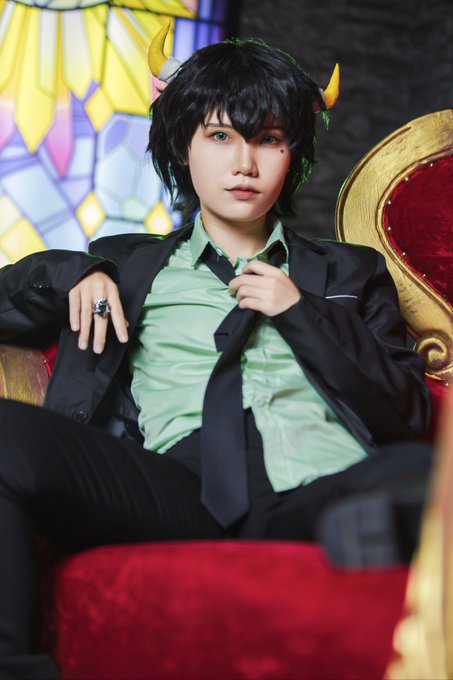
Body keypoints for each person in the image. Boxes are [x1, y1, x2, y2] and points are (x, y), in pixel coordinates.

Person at [0, 34, 432, 680]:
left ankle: (356, 532)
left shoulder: (351, 272)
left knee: (422, 475)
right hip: (178, 488)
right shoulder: (127, 266)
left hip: (323, 477)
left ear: (292, 152)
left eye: (269, 139)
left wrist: (301, 312)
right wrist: (71, 273)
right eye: (221, 136)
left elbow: (407, 413)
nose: (244, 164)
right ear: (184, 144)